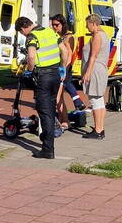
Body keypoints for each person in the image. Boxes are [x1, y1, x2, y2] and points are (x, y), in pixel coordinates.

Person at [14, 16, 62, 159]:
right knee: (51, 109)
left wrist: (29, 70)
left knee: (44, 111)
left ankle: (48, 149)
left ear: (23, 28)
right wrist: (63, 68)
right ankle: (46, 139)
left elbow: (31, 56)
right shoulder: (49, 32)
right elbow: (64, 51)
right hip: (55, 74)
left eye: (22, 33)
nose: (24, 35)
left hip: (43, 77)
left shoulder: (32, 36)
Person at [49, 14, 89, 129]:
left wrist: (65, 69)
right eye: (53, 25)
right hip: (57, 66)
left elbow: (69, 53)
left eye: (57, 25)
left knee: (59, 95)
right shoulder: (56, 35)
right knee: (59, 96)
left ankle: (76, 103)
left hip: (65, 67)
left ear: (63, 24)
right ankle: (64, 119)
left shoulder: (68, 37)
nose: (55, 27)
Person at [81, 13, 110, 140]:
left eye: (88, 24)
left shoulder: (97, 36)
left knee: (95, 100)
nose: (86, 27)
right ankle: (100, 128)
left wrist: (87, 72)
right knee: (99, 100)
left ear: (94, 24)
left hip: (95, 71)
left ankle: (98, 130)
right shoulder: (103, 34)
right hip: (100, 70)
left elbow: (93, 56)